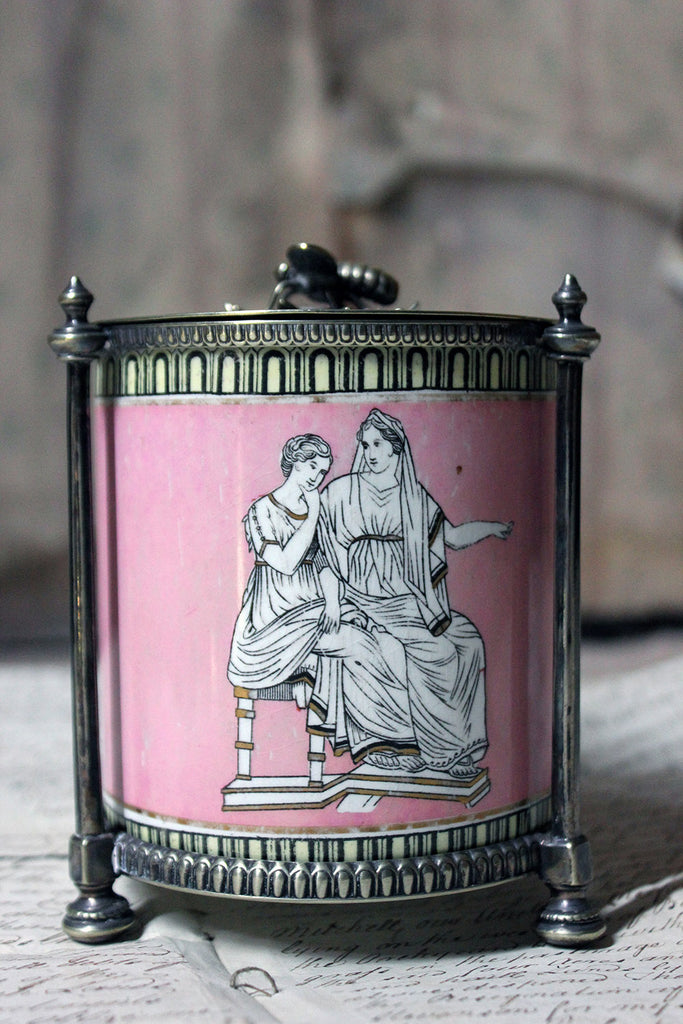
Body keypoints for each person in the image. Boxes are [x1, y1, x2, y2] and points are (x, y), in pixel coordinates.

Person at [319, 409, 512, 779]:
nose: (370, 452)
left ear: (396, 449)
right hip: (363, 599)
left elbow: (451, 537)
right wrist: (334, 601)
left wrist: (491, 528)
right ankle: (443, 751)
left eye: (378, 444)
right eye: (365, 445)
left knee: (469, 642)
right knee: (438, 653)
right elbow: (325, 556)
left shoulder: (413, 497)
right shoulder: (342, 493)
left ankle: (461, 747)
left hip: (409, 602)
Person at [227, 433, 418, 766]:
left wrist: (332, 603)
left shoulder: (312, 510)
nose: (317, 477)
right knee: (361, 646)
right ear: (295, 464)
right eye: (312, 468)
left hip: (313, 606)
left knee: (386, 641)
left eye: (323, 471)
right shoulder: (262, 510)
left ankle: (391, 740)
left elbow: (325, 567)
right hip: (273, 619)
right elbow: (286, 563)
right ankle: (382, 745)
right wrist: (314, 513)